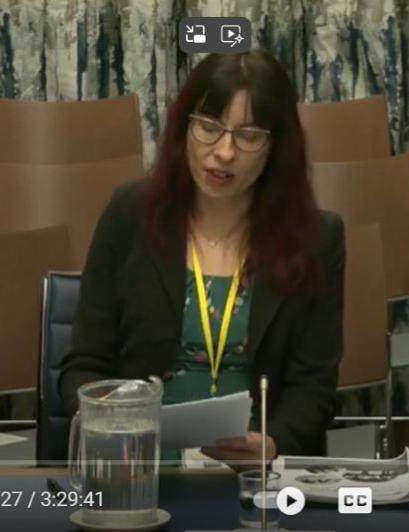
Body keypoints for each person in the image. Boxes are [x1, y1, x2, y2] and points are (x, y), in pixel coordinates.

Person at [59, 49, 344, 469]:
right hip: (141, 467)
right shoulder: (130, 214)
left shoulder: (318, 238)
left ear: (275, 146)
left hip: (258, 474)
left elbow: (314, 387)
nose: (224, 152)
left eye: (247, 135)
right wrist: (111, 421)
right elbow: (84, 364)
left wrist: (271, 443)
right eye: (209, 128)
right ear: (183, 129)